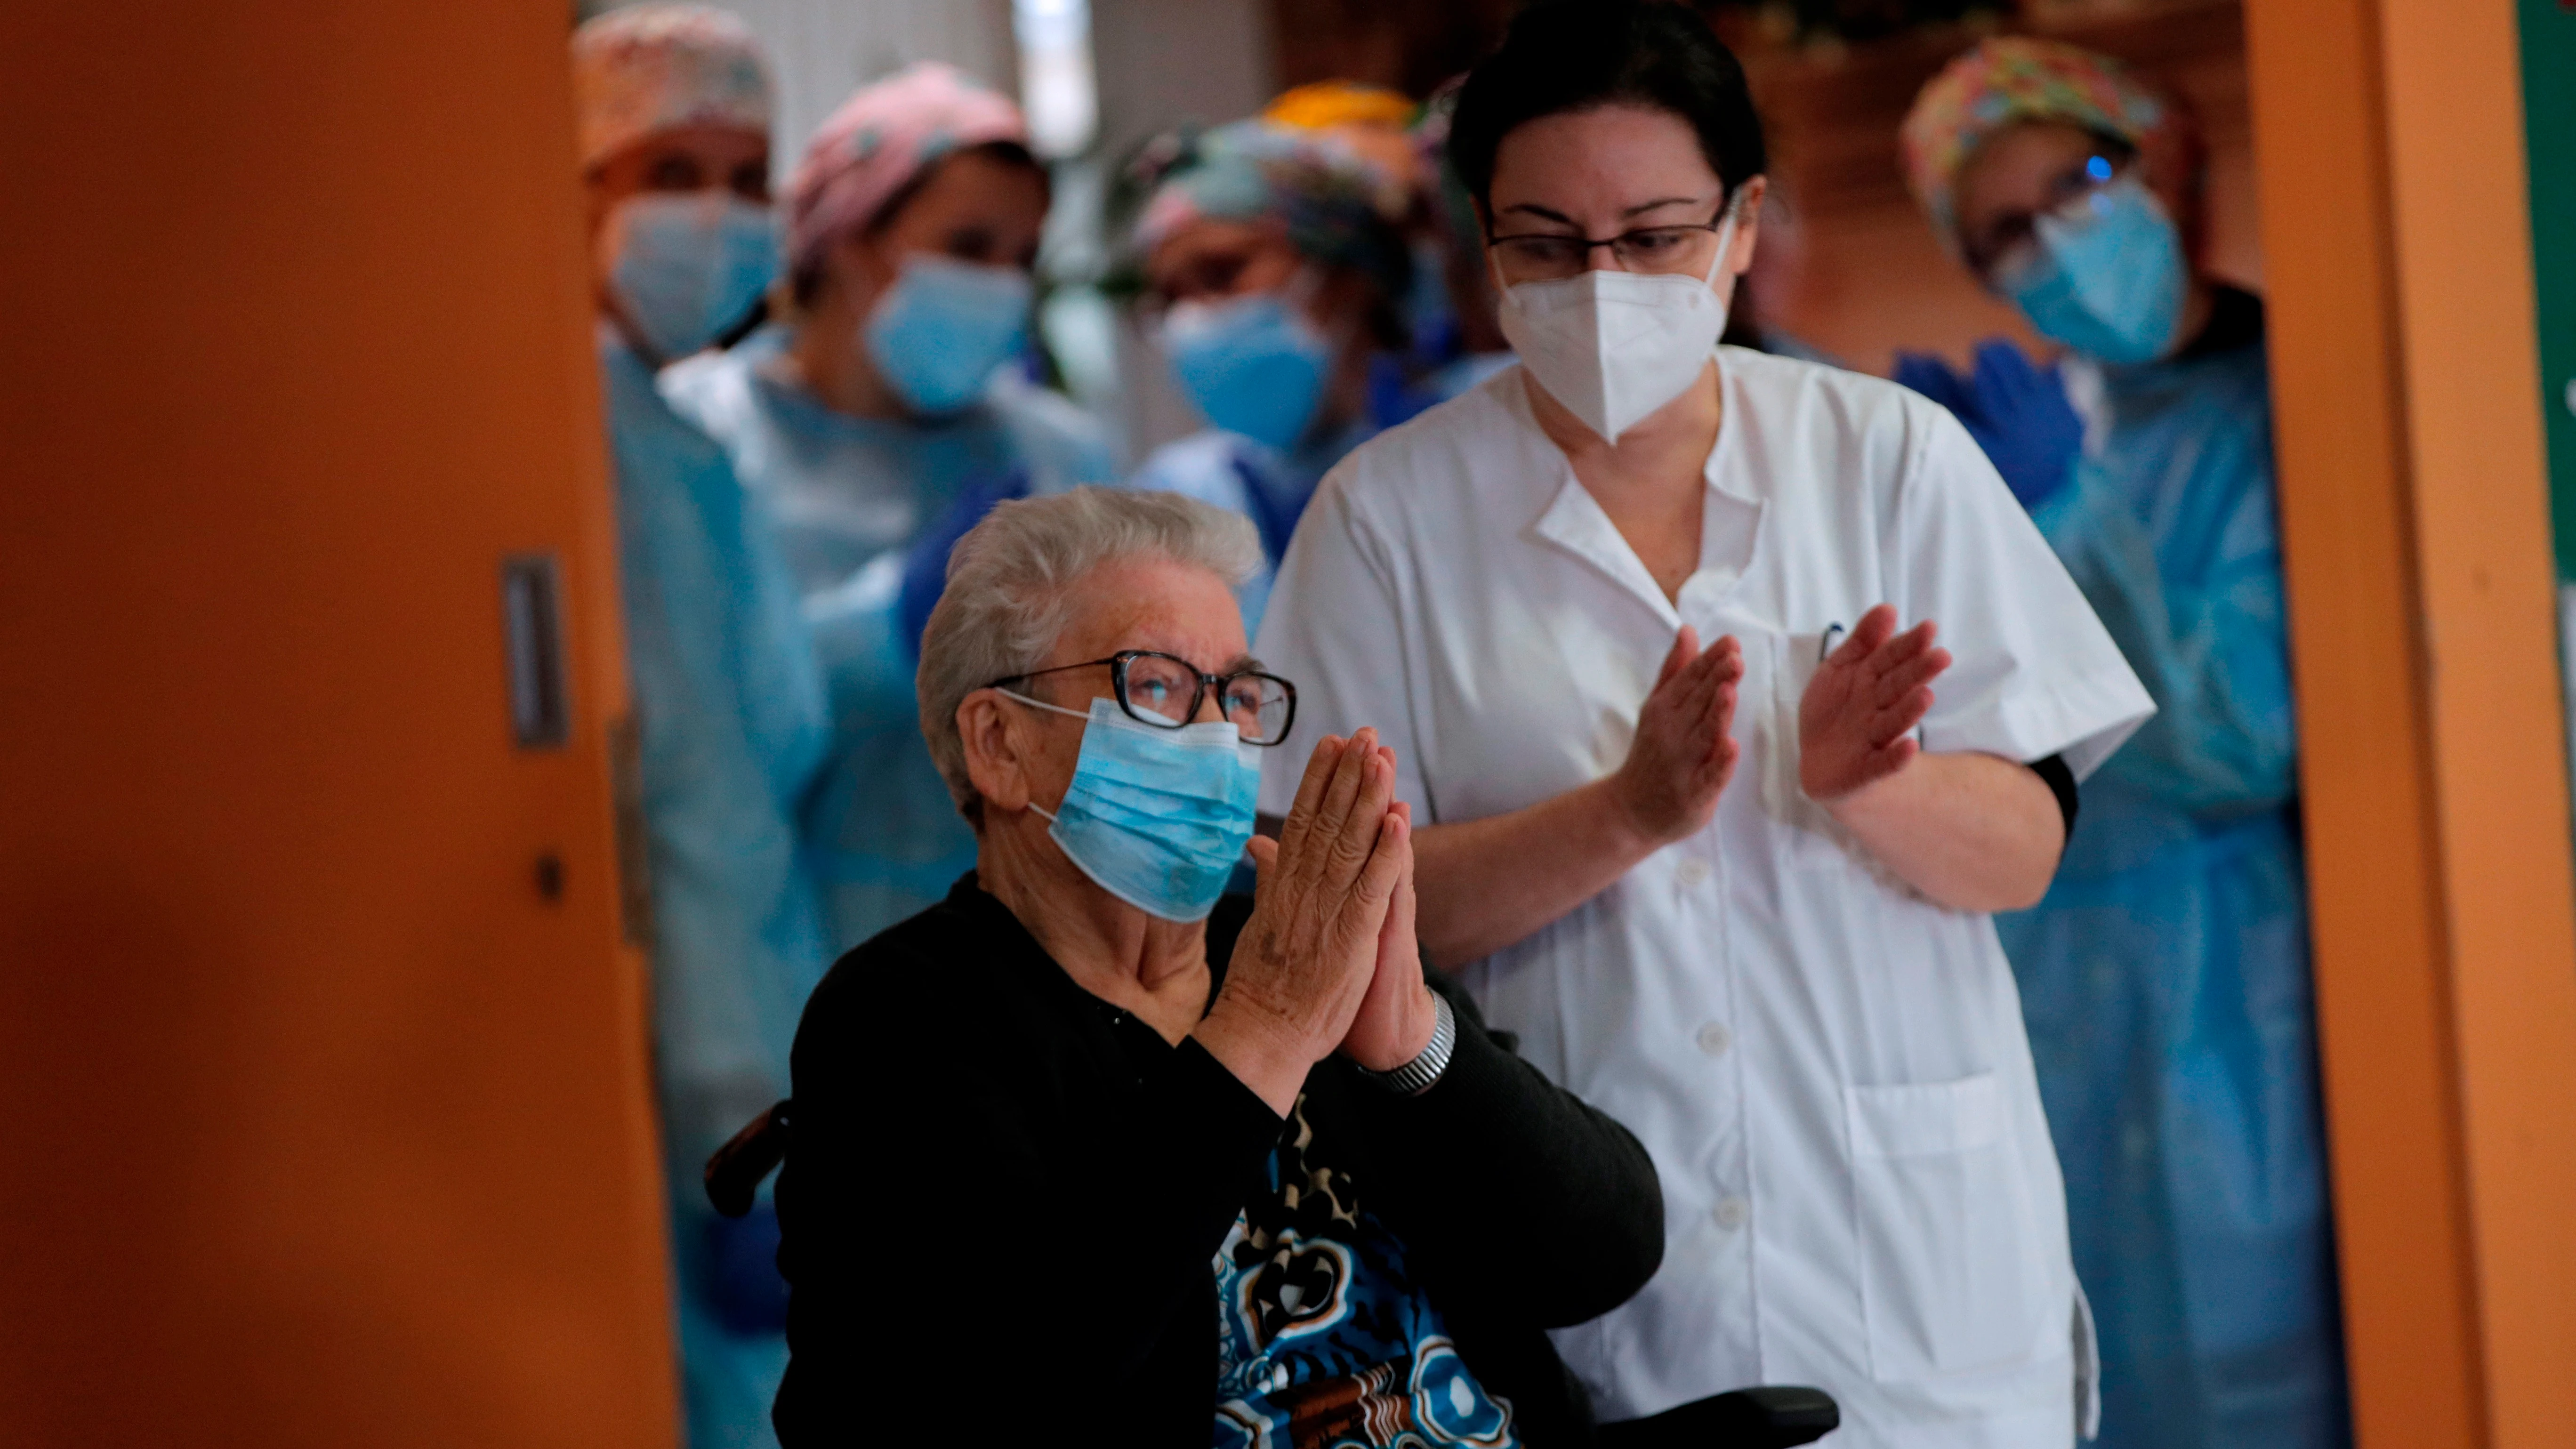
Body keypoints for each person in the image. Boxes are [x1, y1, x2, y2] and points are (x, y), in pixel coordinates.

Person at [1252, 5, 2159, 1445]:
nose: (1603, 285)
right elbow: (1341, 922)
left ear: (1742, 227)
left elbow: (2026, 849)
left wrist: (1874, 788)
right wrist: (1624, 815)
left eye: (1656, 235)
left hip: (1917, 1285)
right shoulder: (1387, 521)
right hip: (1586, 1288)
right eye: (1546, 244)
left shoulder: (1889, 461)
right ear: (1485, 247)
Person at [772, 488, 1666, 1445]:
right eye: (1155, 685)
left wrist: (1414, 1043)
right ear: (1000, 744)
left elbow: (1603, 1259)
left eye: (1237, 695)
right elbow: (1009, 1387)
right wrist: (1264, 1033)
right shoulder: (909, 1018)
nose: (1216, 736)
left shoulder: (1290, 946)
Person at [1896, 39, 2346, 1449]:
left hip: (2248, 990)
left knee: (2266, 1360)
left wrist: (2071, 519)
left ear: (2165, 160)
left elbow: (2243, 737)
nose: (2053, 247)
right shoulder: (2059, 430)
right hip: (2066, 998)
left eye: (2079, 185)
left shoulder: (2306, 401)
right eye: (2006, 235)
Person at [660, 63, 1120, 952]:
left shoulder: (1052, 451)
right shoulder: (708, 434)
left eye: (1023, 257)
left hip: (1032, 962)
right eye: (969, 246)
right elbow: (702, 735)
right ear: (848, 238)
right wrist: (886, 626)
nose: (1003, 285)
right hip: (794, 956)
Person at [572, 8, 824, 1446]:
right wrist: (747, 1131)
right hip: (701, 1082)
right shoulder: (603, 449)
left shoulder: (663, 435)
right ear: (572, 189)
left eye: (748, 178)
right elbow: (697, 814)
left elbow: (751, 736)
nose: (719, 219)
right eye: (670, 169)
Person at [1119, 118, 1417, 633]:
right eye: (1169, 298)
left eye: (1222, 272)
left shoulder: (1465, 455)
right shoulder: (1180, 496)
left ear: (1345, 272)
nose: (1193, 318)